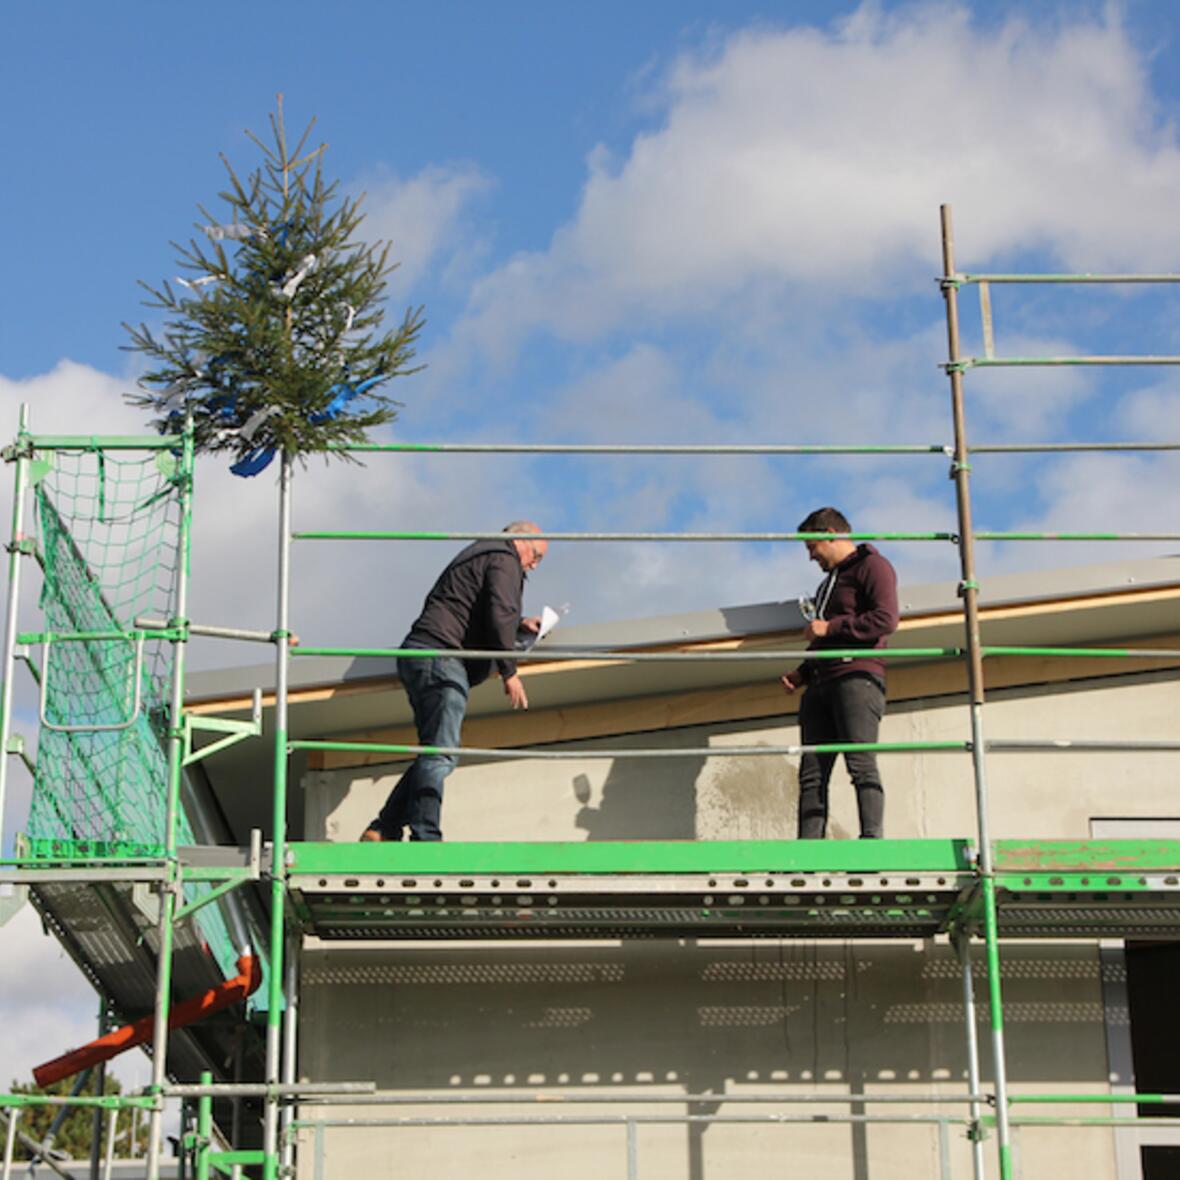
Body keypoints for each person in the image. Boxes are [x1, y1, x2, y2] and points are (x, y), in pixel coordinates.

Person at [361, 521, 548, 842]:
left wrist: (520, 623)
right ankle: (425, 837)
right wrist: (510, 671)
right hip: (440, 656)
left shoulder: (483, 553)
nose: (533, 565)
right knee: (442, 754)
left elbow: (482, 609)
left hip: (423, 654)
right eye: (536, 556)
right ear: (519, 541)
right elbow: (499, 611)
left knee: (435, 751)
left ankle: (384, 827)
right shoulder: (504, 558)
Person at [780, 507, 898, 839]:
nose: (810, 556)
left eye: (812, 547)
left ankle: (871, 843)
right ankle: (808, 851)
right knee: (812, 773)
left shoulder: (873, 567)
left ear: (831, 534)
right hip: (821, 682)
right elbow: (825, 640)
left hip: (857, 677)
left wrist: (829, 626)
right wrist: (803, 672)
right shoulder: (826, 586)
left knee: (860, 763)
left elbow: (885, 620)